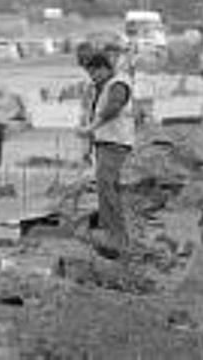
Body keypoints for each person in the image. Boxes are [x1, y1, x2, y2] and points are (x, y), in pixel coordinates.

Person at [77, 52, 135, 257]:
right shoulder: (100, 88)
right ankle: (113, 235)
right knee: (104, 189)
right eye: (89, 73)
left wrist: (90, 128)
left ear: (104, 68)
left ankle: (116, 237)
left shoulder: (118, 85)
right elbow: (94, 113)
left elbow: (112, 110)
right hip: (105, 144)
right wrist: (88, 147)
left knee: (107, 188)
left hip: (115, 143)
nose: (92, 77)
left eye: (94, 72)